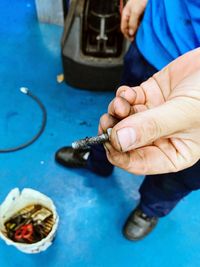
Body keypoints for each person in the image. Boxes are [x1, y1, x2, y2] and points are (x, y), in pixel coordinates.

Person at [55, 0, 200, 240]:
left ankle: (150, 209)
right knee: (117, 118)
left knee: (182, 167)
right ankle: (97, 162)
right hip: (154, 47)